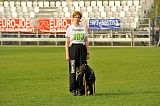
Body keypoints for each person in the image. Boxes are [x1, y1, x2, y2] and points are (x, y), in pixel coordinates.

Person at [65, 11, 90, 96]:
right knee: (72, 70)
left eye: (79, 17)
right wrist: (67, 54)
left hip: (82, 49)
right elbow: (67, 43)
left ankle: (80, 89)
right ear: (73, 18)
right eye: (75, 17)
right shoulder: (70, 28)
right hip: (73, 49)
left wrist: (88, 52)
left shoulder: (83, 28)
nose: (77, 19)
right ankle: (73, 89)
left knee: (81, 70)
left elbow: (86, 41)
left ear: (80, 19)